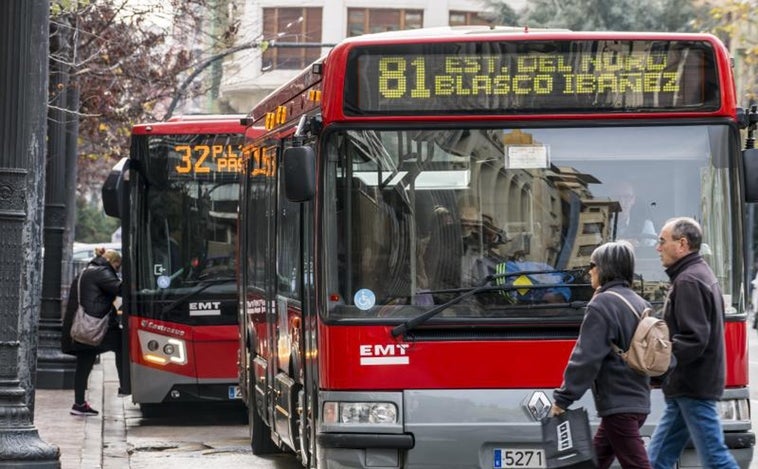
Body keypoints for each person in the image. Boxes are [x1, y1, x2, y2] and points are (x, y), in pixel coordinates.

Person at [550, 240, 652, 469]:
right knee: (596, 460)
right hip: (636, 401)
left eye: (593, 264)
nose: (589, 270)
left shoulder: (602, 304)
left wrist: (563, 399)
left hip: (620, 405)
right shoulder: (640, 303)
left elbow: (586, 357)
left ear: (606, 268)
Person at [647, 217, 738, 469]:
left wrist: (660, 363)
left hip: (693, 386)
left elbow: (693, 338)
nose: (658, 247)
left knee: (715, 459)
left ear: (682, 244)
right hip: (686, 386)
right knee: (656, 459)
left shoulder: (688, 281)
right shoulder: (697, 274)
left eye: (662, 241)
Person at [61, 248, 125, 416]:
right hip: (98, 326)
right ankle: (125, 385)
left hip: (84, 327)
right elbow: (120, 289)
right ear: (114, 262)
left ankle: (79, 403)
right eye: (118, 267)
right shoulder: (102, 271)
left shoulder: (86, 270)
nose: (117, 271)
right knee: (122, 345)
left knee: (83, 365)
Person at [612, 182, 656, 246]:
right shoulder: (602, 222)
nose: (621, 201)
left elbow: (651, 250)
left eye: (626, 197)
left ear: (633, 200)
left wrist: (638, 246)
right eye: (617, 197)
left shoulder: (645, 224)